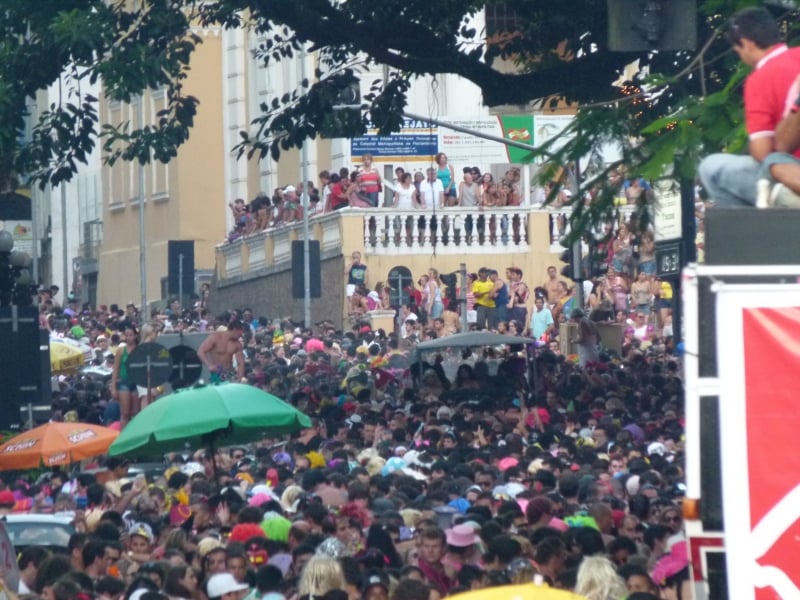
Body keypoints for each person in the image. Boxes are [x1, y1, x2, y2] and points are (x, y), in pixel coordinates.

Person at [698, 7, 800, 207]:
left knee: (711, 168)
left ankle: (756, 233)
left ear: (746, 44)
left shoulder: (760, 79)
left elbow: (763, 153)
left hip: (787, 171)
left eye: (738, 52)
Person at [111, 325, 140, 427]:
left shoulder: (140, 349)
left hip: (137, 382)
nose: (128, 338)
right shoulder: (121, 350)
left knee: (136, 413)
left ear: (135, 336)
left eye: (131, 335)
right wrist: (113, 388)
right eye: (126, 335)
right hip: (124, 382)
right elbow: (116, 369)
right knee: (125, 412)